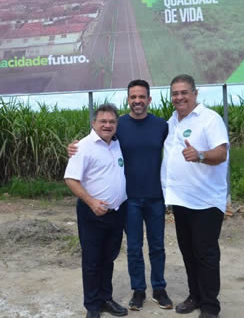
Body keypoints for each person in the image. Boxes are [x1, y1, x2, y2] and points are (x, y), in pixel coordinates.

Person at [69, 79, 173, 311]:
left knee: (157, 246)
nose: (137, 101)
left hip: (156, 197)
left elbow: (175, 152)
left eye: (142, 96)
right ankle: (138, 290)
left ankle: (159, 288)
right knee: (134, 248)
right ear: (128, 100)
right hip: (129, 200)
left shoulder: (161, 126)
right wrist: (74, 147)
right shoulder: (119, 125)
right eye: (133, 97)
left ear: (149, 99)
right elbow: (96, 141)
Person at [161, 74, 229, 318]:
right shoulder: (171, 122)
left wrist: (200, 155)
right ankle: (195, 296)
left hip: (205, 202)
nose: (179, 97)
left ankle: (210, 306)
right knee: (188, 252)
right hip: (181, 200)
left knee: (206, 254)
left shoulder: (210, 119)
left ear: (195, 93)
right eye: (175, 93)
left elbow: (221, 153)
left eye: (184, 92)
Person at [64, 103, 129, 318]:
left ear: (116, 124)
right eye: (103, 121)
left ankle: (105, 299)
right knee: (92, 261)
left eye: (111, 122)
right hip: (92, 213)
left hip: (116, 213)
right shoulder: (83, 147)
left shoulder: (117, 144)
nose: (107, 125)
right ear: (94, 123)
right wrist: (91, 202)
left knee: (108, 258)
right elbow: (71, 179)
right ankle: (92, 306)